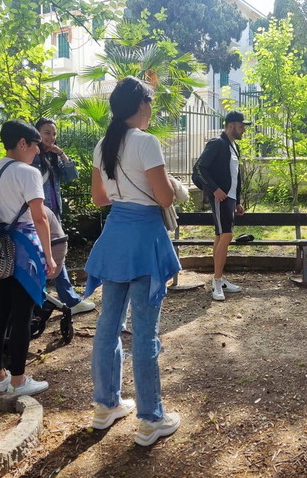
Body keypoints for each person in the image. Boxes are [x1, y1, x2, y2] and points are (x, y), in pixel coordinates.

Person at [85, 76, 182, 446]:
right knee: (144, 331)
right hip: (144, 239)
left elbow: (99, 198)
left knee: (108, 323)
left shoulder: (103, 144)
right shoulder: (146, 142)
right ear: (141, 105)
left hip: (114, 236)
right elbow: (165, 198)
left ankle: (105, 405)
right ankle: (150, 418)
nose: (152, 110)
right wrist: (171, 184)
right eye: (150, 103)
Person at [0, 120, 56, 396]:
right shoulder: (28, 172)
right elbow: (39, 217)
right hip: (24, 249)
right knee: (22, 317)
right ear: (23, 143)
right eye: (36, 145)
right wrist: (49, 256)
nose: (38, 151)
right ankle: (18, 380)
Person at [33, 118, 95, 315]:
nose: (51, 137)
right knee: (38, 255)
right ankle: (48, 300)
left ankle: (63, 300)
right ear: (37, 133)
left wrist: (62, 155)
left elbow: (71, 177)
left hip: (53, 213)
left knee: (56, 256)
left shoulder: (53, 156)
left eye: (53, 133)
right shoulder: (31, 156)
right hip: (37, 213)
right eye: (46, 132)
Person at [193, 111, 249, 301]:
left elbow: (236, 175)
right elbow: (199, 168)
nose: (243, 130)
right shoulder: (217, 143)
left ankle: (219, 278)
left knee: (220, 235)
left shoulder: (234, 147)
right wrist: (214, 189)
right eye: (241, 126)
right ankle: (216, 282)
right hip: (220, 197)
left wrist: (238, 200)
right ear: (231, 126)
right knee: (226, 235)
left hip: (230, 198)